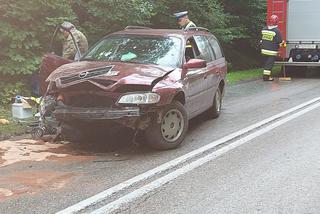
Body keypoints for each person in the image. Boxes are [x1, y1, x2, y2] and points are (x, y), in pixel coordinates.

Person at [260, 14, 285, 81]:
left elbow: (262, 40)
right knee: (269, 65)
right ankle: (266, 78)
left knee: (266, 64)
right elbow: (280, 42)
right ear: (277, 22)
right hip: (271, 52)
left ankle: (266, 76)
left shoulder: (264, 29)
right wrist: (283, 43)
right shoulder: (277, 31)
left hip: (263, 51)